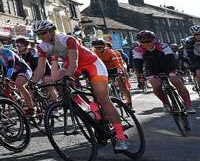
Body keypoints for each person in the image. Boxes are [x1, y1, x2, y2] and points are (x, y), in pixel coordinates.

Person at [28, 20, 129, 153]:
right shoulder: (42, 47)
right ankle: (88, 108)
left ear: (52, 31)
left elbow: (74, 62)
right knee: (57, 82)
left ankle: (121, 137)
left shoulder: (67, 40)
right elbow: (40, 69)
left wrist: (67, 76)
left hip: (91, 63)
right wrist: (32, 82)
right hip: (71, 65)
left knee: (103, 99)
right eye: (38, 34)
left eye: (43, 32)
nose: (41, 36)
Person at [131, 30, 194, 114]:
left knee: (176, 81)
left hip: (168, 66)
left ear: (154, 40)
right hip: (152, 68)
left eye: (148, 41)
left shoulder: (162, 46)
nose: (145, 44)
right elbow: (138, 63)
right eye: (142, 42)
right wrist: (140, 75)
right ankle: (165, 103)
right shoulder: (138, 49)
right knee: (156, 85)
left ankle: (189, 106)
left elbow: (171, 59)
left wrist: (176, 70)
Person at [93, 40, 132, 106]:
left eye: (99, 47)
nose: (98, 49)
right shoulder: (95, 53)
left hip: (115, 68)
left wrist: (120, 72)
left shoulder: (110, 52)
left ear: (104, 47)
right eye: (96, 47)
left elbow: (117, 63)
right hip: (105, 69)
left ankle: (129, 103)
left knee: (122, 85)